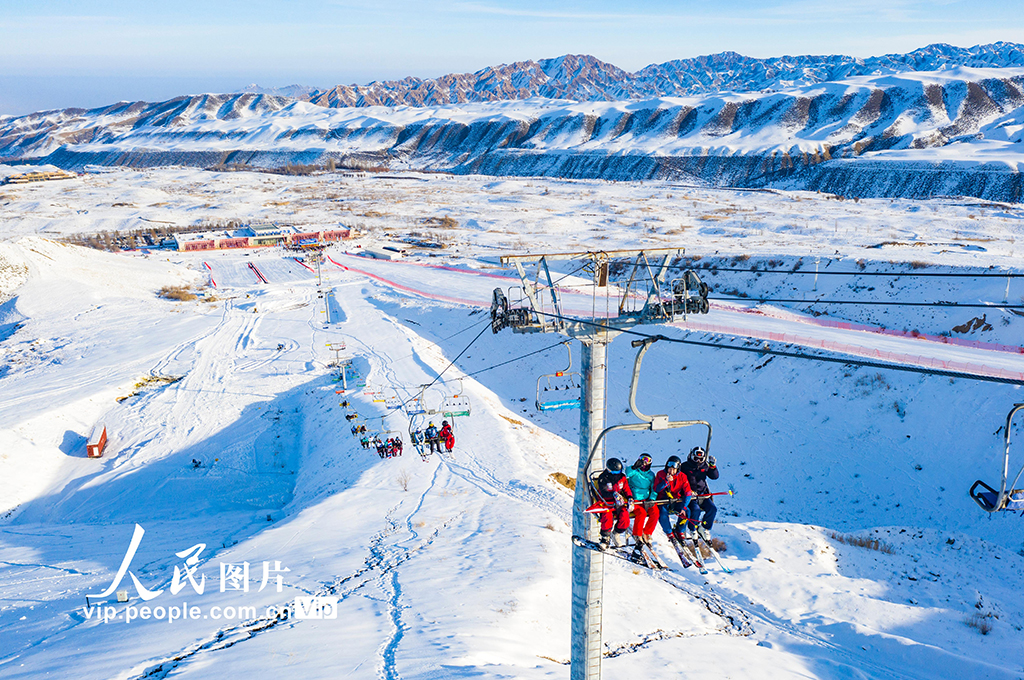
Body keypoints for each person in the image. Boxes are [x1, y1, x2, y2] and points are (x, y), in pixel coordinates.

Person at [593, 458, 633, 549]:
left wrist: (630, 498)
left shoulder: (622, 477)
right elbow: (603, 492)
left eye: (619, 471)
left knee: (625, 517)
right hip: (607, 502)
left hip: (618, 502)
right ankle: (605, 538)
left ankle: (616, 533)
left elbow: (626, 489)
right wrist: (613, 494)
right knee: (607, 517)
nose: (617, 474)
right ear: (609, 470)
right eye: (615, 472)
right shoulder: (603, 478)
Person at [680, 446, 719, 539]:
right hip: (690, 495)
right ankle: (692, 528)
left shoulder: (705, 466)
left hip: (703, 494)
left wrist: (712, 467)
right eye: (696, 458)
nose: (698, 461)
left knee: (713, 509)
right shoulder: (685, 466)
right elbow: (679, 479)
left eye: (700, 459)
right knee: (696, 510)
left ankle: (704, 528)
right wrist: (687, 491)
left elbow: (714, 476)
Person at [624, 453, 658, 557]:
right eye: (642, 461)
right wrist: (634, 467)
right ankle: (637, 535)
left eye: (646, 461)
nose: (644, 463)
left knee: (655, 512)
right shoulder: (635, 471)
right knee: (641, 513)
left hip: (646, 499)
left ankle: (647, 532)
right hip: (635, 499)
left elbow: (654, 488)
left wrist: (652, 498)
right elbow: (627, 473)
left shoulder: (651, 475)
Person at [653, 455, 692, 542]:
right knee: (663, 514)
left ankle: (679, 530)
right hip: (663, 500)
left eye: (674, 469)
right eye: (669, 469)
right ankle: (669, 532)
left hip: (675, 500)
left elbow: (688, 492)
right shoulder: (660, 474)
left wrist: (684, 507)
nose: (671, 471)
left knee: (687, 512)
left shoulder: (682, 476)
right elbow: (656, 489)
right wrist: (666, 482)